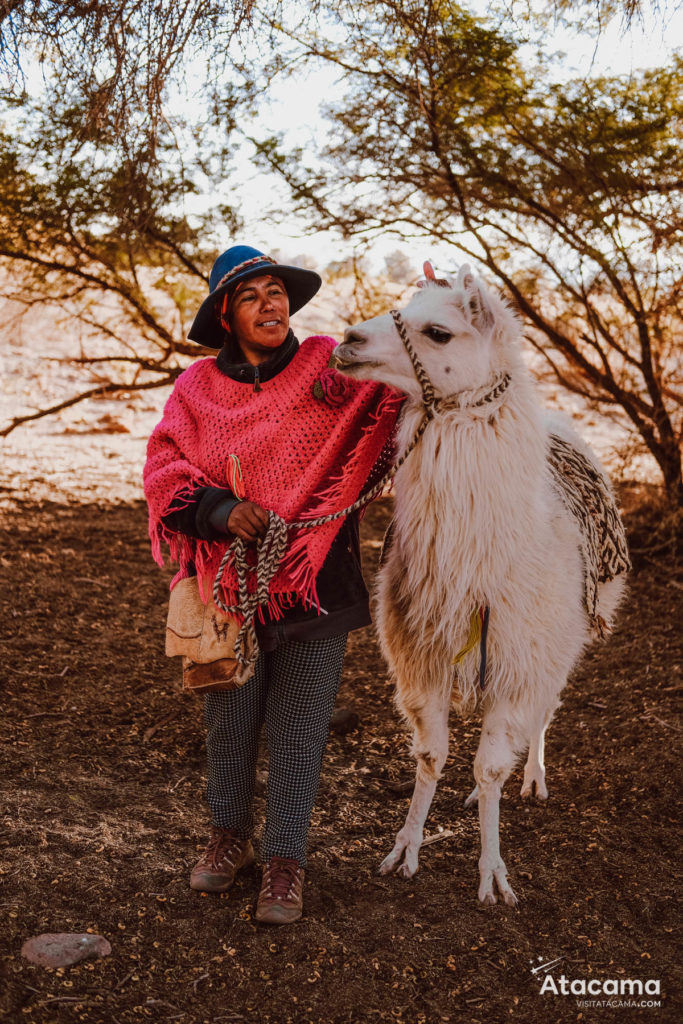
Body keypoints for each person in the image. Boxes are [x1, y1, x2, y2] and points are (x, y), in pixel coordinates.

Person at [143, 245, 402, 925]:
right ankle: (227, 838)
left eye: (277, 291)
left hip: (317, 580)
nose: (271, 303)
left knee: (299, 730)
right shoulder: (195, 389)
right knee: (228, 723)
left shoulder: (327, 363)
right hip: (225, 585)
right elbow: (164, 470)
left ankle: (285, 862)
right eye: (252, 295)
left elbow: (391, 401)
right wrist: (221, 512)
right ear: (225, 314)